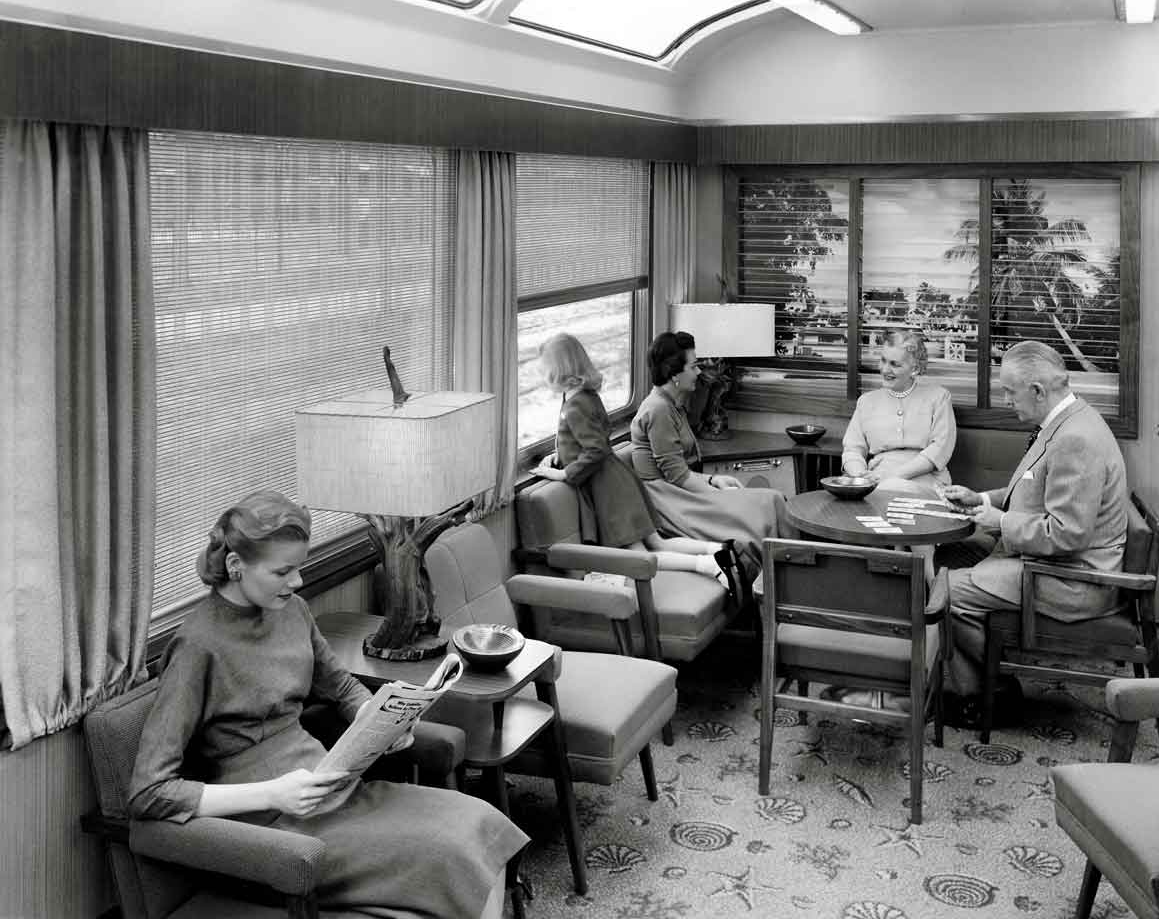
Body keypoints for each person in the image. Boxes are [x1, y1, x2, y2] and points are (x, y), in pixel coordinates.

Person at [128, 491, 528, 919]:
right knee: (454, 852)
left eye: (298, 567)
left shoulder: (292, 611)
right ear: (234, 567)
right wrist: (275, 794)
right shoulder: (196, 646)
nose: (297, 581)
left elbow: (340, 686)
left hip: (335, 794)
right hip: (273, 831)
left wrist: (381, 719)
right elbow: (149, 793)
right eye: (283, 571)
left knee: (479, 822)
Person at [928, 341, 1128, 717]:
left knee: (944, 592)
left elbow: (1068, 534)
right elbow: (1034, 487)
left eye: (1009, 391)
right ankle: (974, 675)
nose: (1005, 400)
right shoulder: (1066, 420)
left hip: (1072, 579)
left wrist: (999, 521)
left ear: (1038, 391)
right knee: (948, 554)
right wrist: (981, 500)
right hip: (1051, 561)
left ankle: (991, 696)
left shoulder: (1075, 439)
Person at [530, 333, 732, 583]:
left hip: (607, 490)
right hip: (620, 480)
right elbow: (588, 437)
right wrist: (558, 455)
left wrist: (564, 473)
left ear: (560, 372)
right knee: (657, 542)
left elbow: (595, 449)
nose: (543, 379)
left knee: (639, 556)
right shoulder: (586, 395)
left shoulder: (574, 405)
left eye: (545, 373)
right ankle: (719, 550)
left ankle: (710, 565)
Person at [628, 330, 798, 573]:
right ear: (674, 373)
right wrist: (719, 495)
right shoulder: (658, 410)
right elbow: (677, 476)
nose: (699, 372)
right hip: (667, 499)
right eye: (694, 366)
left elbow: (680, 470)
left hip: (679, 489)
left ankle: (791, 575)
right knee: (760, 509)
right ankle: (777, 582)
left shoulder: (672, 404)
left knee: (773, 499)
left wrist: (713, 478)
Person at [841, 329, 956, 494]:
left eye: (894, 364)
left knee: (889, 492)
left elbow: (939, 450)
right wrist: (861, 476)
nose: (885, 369)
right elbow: (852, 449)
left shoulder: (939, 398)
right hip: (877, 480)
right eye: (883, 361)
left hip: (927, 480)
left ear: (914, 368)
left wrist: (891, 477)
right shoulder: (866, 402)